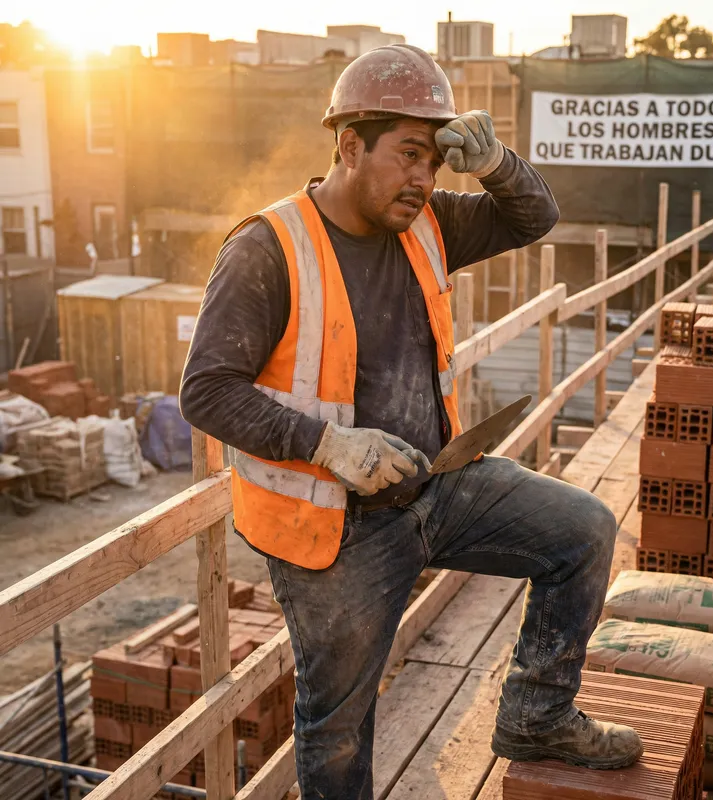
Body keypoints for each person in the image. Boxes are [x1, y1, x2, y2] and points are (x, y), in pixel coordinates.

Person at [180, 43, 642, 799]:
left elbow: (534, 216)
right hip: (336, 529)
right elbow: (206, 391)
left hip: (439, 485)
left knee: (584, 532)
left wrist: (494, 164)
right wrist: (328, 444)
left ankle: (536, 716)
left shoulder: (426, 220)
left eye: (435, 158)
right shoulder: (269, 248)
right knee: (338, 730)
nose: (425, 178)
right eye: (408, 154)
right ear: (348, 146)